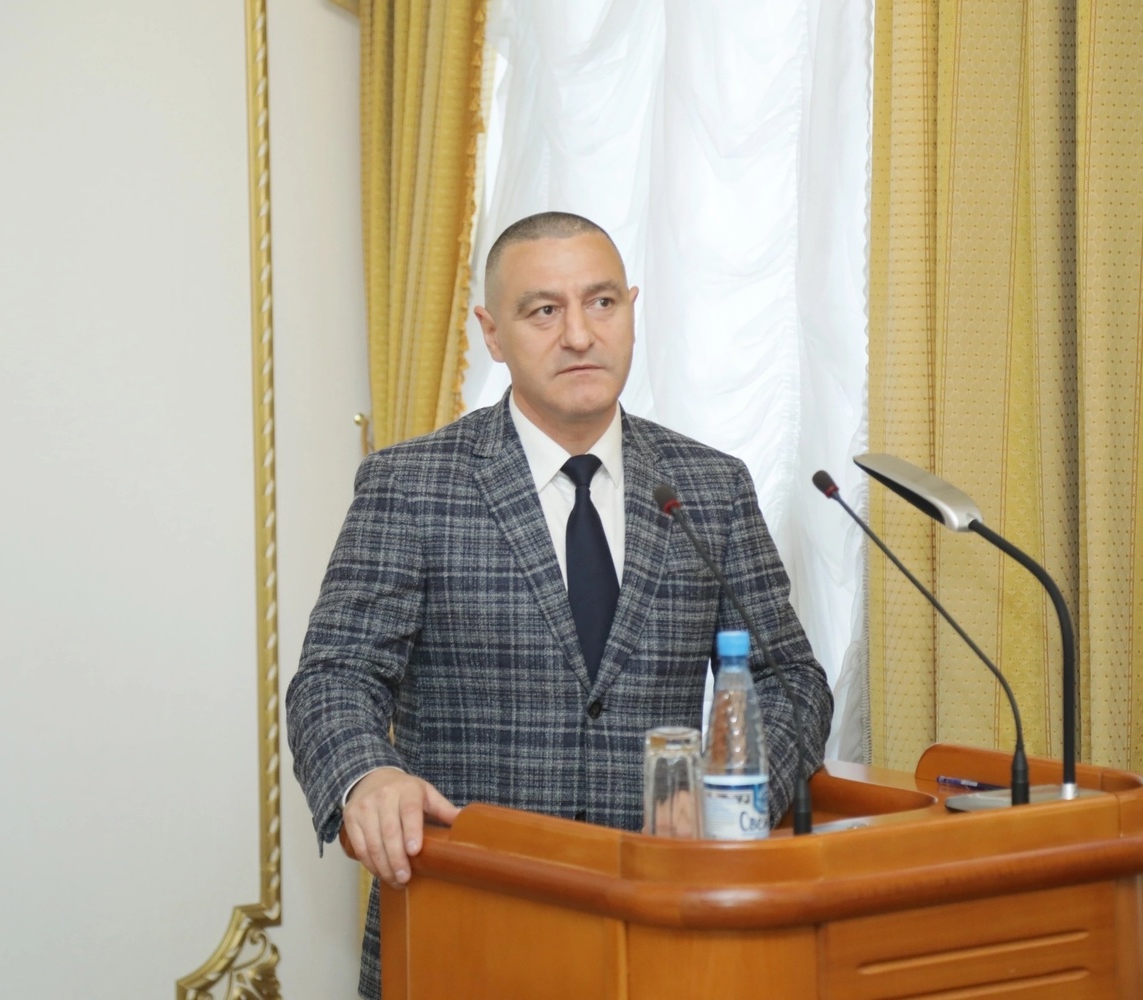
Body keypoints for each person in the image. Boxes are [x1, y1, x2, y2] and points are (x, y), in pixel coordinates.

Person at [286, 211, 832, 998]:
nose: (580, 335)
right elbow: (335, 676)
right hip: (466, 924)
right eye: (544, 310)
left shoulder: (710, 487)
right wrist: (368, 775)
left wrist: (726, 798)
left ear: (632, 311)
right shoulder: (411, 485)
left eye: (602, 303)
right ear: (492, 333)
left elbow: (791, 680)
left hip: (662, 928)